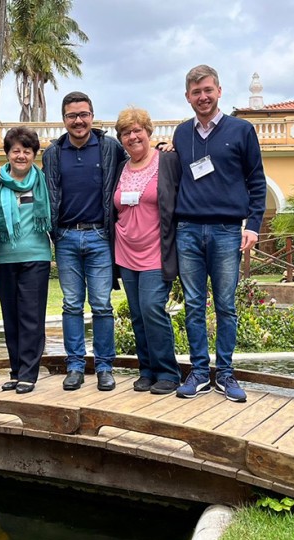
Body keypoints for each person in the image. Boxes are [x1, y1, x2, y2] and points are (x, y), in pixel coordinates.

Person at [172, 65, 267, 403]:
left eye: (208, 90)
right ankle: (199, 371)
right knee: (194, 304)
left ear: (219, 91)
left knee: (226, 305)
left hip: (228, 231)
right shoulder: (181, 135)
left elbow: (257, 182)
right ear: (188, 97)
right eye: (196, 92)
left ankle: (225, 373)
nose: (203, 97)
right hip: (188, 230)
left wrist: (253, 225)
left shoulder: (241, 130)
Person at [42, 91, 126, 392]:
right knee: (72, 304)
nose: (78, 121)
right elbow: (47, 192)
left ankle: (104, 366)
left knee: (102, 305)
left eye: (83, 114)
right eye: (71, 116)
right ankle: (75, 366)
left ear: (92, 116)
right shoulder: (52, 153)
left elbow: (138, 164)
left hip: (100, 236)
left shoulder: (109, 148)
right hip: (65, 236)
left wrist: (164, 150)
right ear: (64, 119)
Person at [110, 107, 182, 394]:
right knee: (138, 313)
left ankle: (168, 372)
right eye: (126, 132)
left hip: (156, 251)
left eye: (138, 130)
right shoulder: (120, 167)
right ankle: (147, 370)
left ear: (149, 132)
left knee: (153, 308)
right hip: (125, 251)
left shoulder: (168, 161)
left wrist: (174, 144)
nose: (132, 136)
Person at [0, 127, 51, 394]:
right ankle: (16, 371)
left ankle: (29, 373)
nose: (21, 155)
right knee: (11, 317)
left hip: (35, 256)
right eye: (15, 150)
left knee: (31, 317)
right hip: (4, 258)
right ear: (7, 154)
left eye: (27, 151)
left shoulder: (43, 181)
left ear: (34, 154)